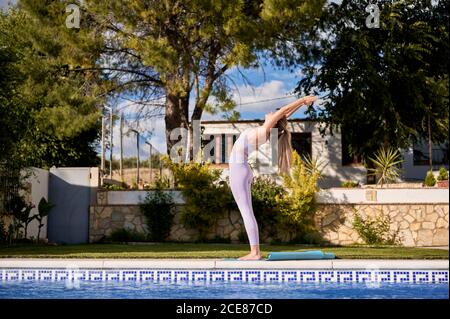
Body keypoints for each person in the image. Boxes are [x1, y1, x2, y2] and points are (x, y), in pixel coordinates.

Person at [228, 95, 317, 260]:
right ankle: (255, 251)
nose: (270, 112)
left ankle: (255, 252)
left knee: (246, 212)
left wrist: (302, 100)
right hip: (243, 170)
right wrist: (302, 104)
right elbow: (284, 114)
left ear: (274, 121)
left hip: (238, 170)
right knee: (248, 212)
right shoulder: (267, 131)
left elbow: (283, 111)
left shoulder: (265, 130)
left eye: (273, 114)